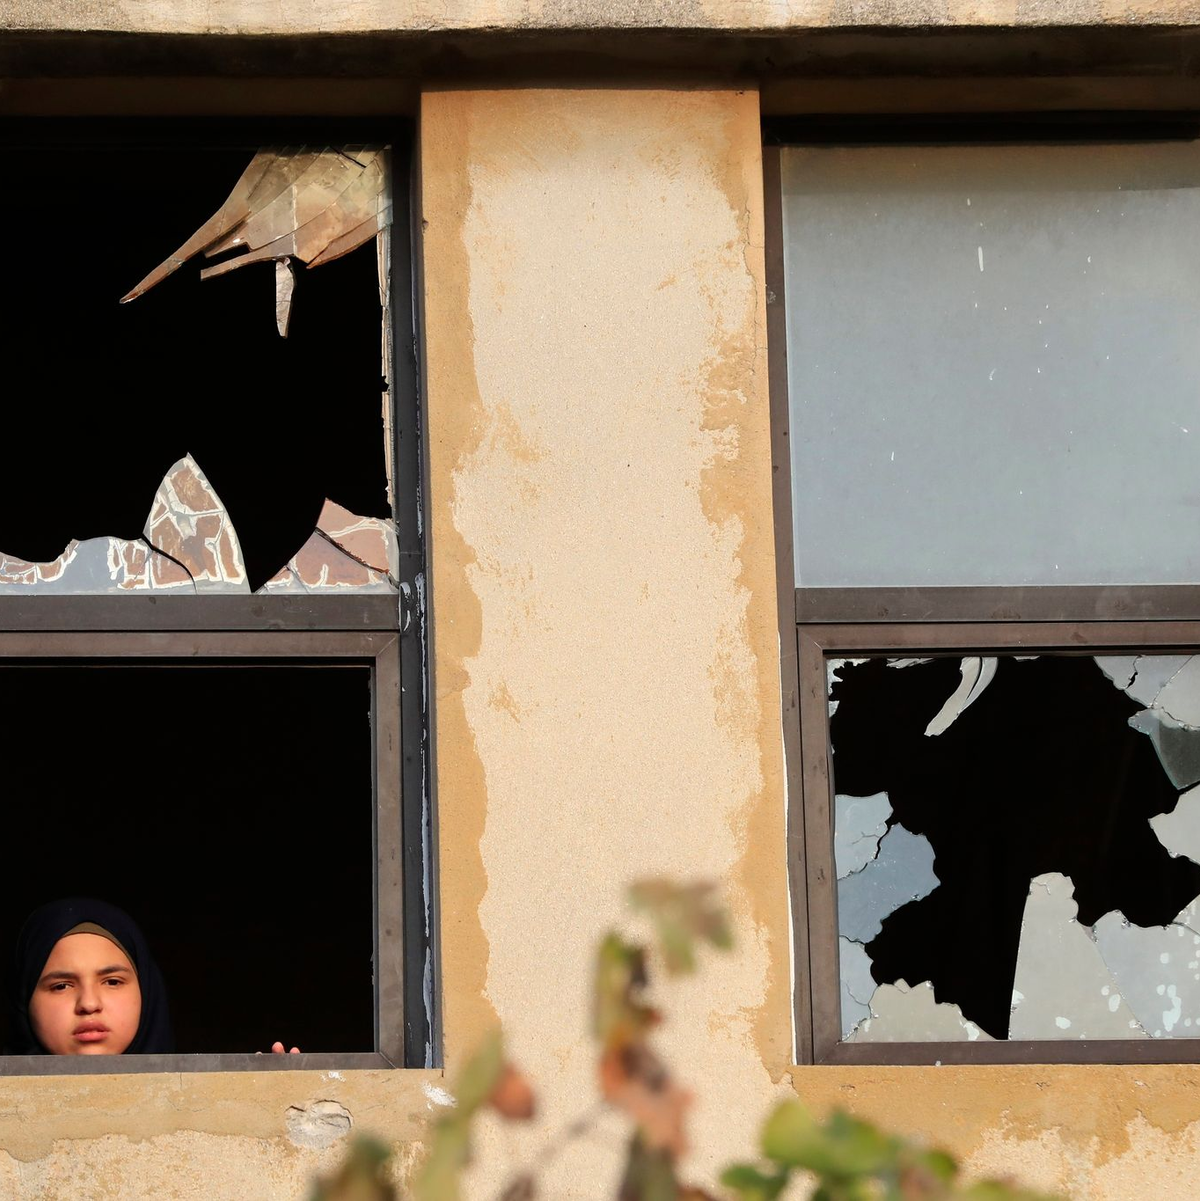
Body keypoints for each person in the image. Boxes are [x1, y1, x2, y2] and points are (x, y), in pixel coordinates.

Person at [8, 897, 298, 1056]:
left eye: (112, 981)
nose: (89, 1003)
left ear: (146, 994)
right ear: (24, 1001)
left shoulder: (201, 1106)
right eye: (61, 985)